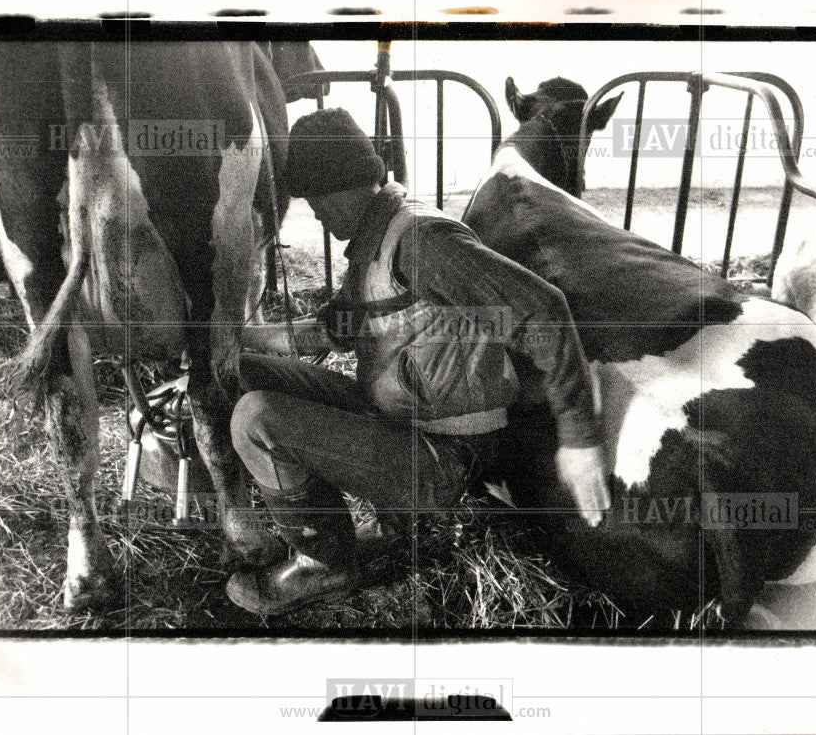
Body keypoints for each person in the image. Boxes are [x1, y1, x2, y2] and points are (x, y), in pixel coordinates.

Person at [227, 108, 609, 615]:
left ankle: (326, 564)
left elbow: (542, 310)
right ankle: (321, 525)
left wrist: (581, 438)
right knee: (240, 372)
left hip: (445, 455)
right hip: (397, 416)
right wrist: (235, 339)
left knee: (258, 419)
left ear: (344, 186)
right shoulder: (375, 239)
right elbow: (336, 330)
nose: (314, 214)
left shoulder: (423, 242)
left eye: (316, 199)